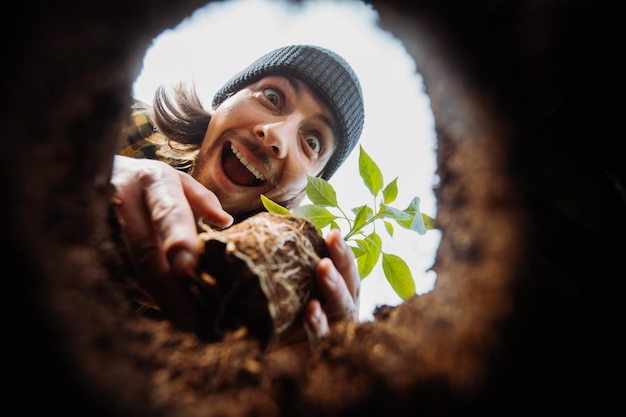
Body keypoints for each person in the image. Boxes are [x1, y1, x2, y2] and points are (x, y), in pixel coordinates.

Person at [111, 44, 364, 350]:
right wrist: (96, 174)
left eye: (312, 142)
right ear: (226, 98)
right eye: (272, 97)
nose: (276, 137)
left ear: (306, 189)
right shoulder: (123, 126)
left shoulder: (259, 301)